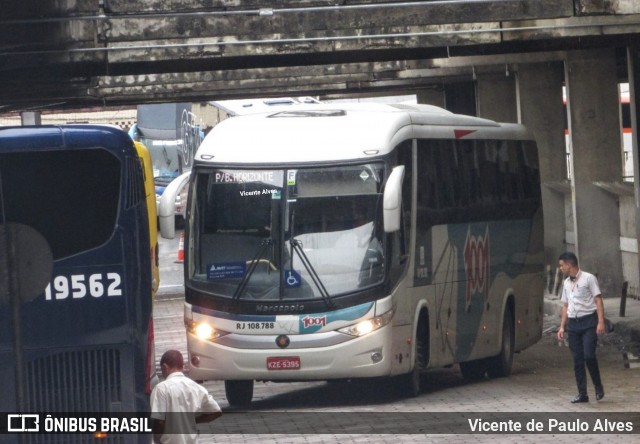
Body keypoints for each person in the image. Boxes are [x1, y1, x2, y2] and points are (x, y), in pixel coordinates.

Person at [556, 252, 606, 403]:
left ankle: (598, 386)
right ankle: (582, 393)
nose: (560, 268)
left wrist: (600, 321)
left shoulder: (588, 278)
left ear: (569, 265)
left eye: (561, 265)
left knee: (589, 356)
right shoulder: (566, 283)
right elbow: (565, 305)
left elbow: (598, 300)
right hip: (573, 324)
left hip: (589, 322)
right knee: (577, 360)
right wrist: (562, 327)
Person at [150, 350, 222, 444]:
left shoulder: (161, 389)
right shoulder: (196, 387)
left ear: (165, 367)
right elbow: (216, 411)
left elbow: (159, 421)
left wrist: (157, 440)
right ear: (182, 367)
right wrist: (193, 421)